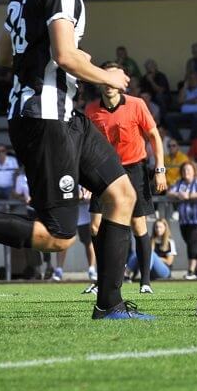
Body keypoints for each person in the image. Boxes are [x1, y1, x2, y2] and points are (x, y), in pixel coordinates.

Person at [0, 0, 152, 319]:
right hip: (46, 117)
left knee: (123, 195)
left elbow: (4, 56)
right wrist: (106, 75)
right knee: (60, 238)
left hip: (64, 115)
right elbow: (64, 54)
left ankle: (110, 306)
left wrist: (66, 56)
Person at [84, 61, 168, 294]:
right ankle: (104, 279)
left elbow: (154, 136)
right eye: (105, 78)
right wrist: (86, 179)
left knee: (138, 224)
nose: (109, 84)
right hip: (104, 170)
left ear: (121, 83)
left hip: (134, 169)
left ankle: (145, 282)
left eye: (114, 79)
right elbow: (86, 146)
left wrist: (159, 168)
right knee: (95, 224)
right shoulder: (91, 110)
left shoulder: (137, 104)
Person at [168, 160, 197, 279]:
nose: (186, 172)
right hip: (184, 220)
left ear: (193, 171)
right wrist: (178, 195)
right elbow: (169, 192)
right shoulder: (180, 183)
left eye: (189, 170)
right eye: (184, 170)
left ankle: (191, 271)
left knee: (192, 243)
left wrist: (190, 196)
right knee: (192, 244)